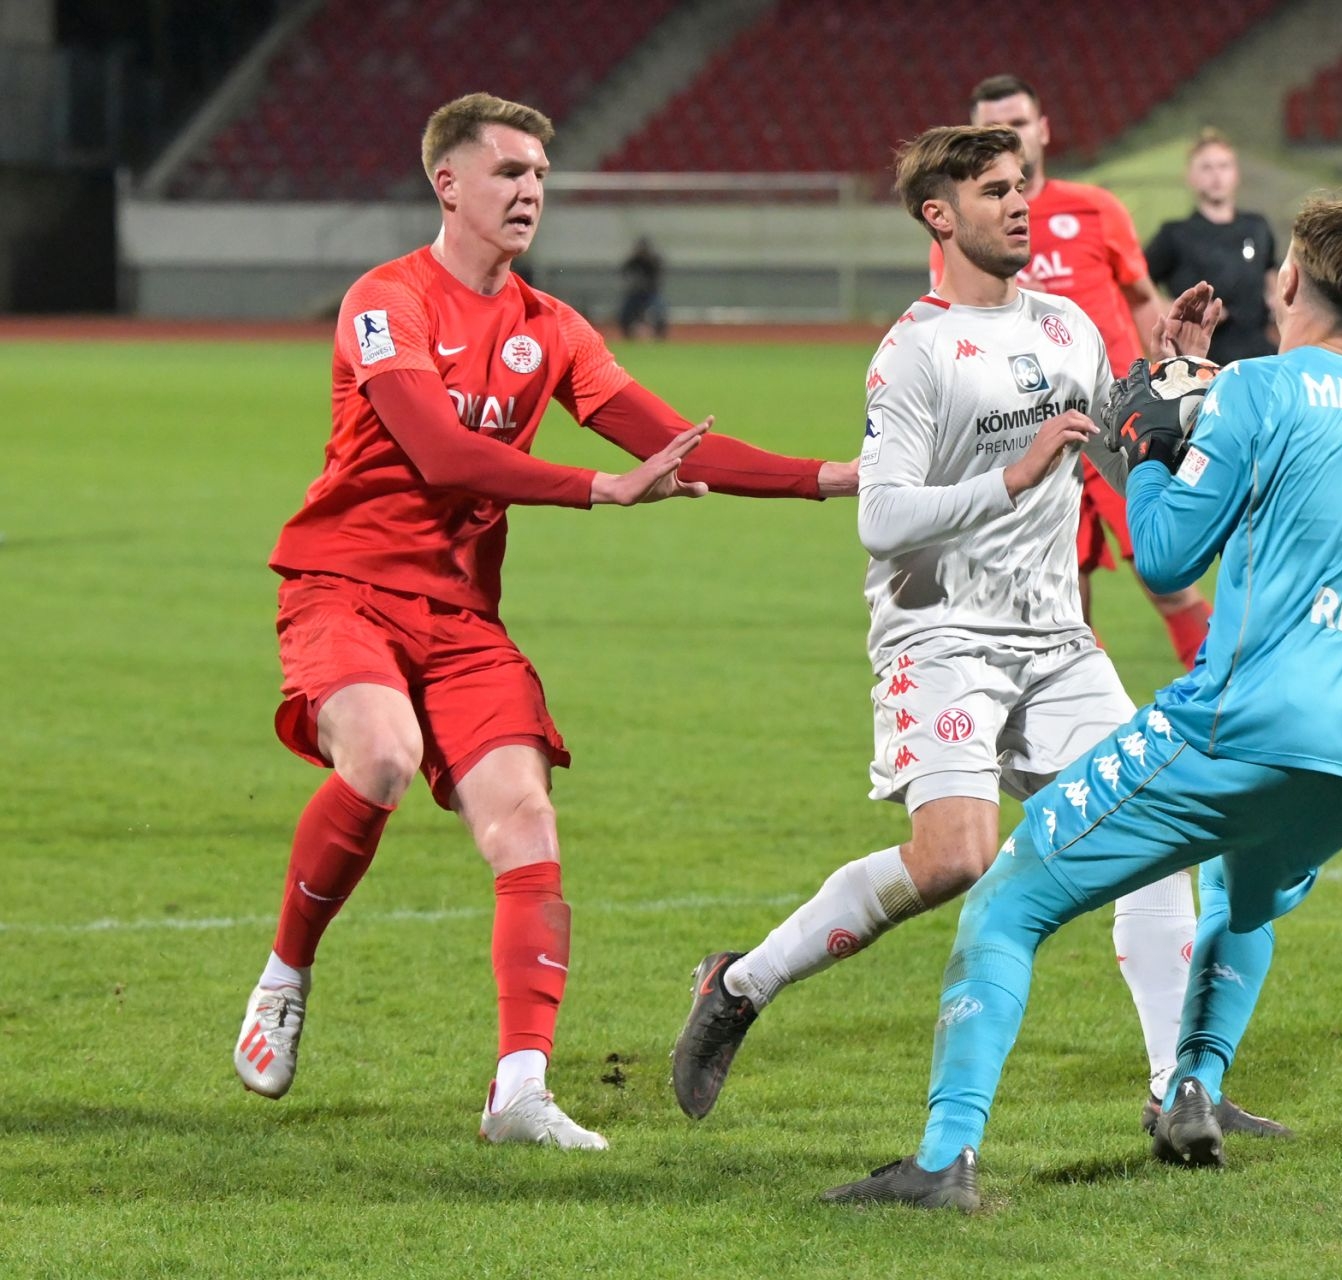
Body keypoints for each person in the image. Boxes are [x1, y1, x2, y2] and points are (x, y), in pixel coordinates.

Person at [231, 92, 856, 1148]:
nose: (530, 191)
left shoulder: (549, 327)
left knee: (525, 819)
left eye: (538, 176)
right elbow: (439, 449)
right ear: (449, 184)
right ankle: (286, 972)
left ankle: (518, 1088)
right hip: (345, 584)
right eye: (509, 171)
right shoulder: (387, 300)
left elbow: (673, 442)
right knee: (381, 753)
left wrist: (834, 477)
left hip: (461, 612)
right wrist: (597, 489)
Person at [671, 125, 1288, 1141]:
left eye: (1023, 186)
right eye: (995, 190)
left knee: (1154, 830)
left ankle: (1179, 1087)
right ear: (939, 215)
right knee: (955, 856)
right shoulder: (912, 352)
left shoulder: (1065, 328)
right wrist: (1010, 476)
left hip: (1054, 638)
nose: (1019, 204)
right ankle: (738, 983)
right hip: (939, 635)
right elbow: (881, 515)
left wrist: (1173, 371)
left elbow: (1122, 428)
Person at [822, 191, 1342, 1211]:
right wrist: (1180, 383)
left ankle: (942, 1159)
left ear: (1285, 278)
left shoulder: (1259, 389)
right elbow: (1282, 471)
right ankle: (1194, 1086)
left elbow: (1164, 554)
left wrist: (1149, 451)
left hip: (1241, 728)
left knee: (1007, 901)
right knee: (1243, 891)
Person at [933, 75, 1214, 671]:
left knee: (1166, 575)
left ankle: (1226, 703)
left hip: (1119, 421)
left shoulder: (1095, 209)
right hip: (1028, 433)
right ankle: (1080, 735)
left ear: (1043, 130)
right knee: (1060, 601)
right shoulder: (962, 228)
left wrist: (1170, 380)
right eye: (990, 129)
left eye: (1017, 124)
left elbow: (1140, 297)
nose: (1007, 136)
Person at [1144, 128, 1280, 364]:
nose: (1216, 175)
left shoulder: (1257, 226)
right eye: (1206, 167)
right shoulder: (1174, 234)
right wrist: (1177, 313)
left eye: (1224, 166)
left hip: (1260, 356)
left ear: (1236, 174)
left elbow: (1270, 270)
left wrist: (1276, 297)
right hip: (1202, 361)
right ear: (1191, 177)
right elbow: (1140, 288)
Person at [618, 236, 667, 341]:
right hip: (635, 293)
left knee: (659, 312)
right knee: (625, 313)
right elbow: (624, 271)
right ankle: (628, 336)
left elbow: (659, 274)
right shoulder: (634, 260)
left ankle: (660, 337)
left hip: (651, 293)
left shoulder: (653, 260)